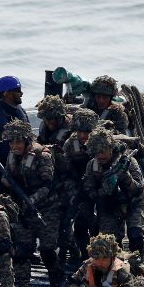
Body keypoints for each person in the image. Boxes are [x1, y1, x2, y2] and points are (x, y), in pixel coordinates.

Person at [1, 119, 64, 287]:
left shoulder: (42, 155)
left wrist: (31, 200)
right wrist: (8, 183)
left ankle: (56, 280)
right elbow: (6, 177)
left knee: (47, 249)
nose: (14, 146)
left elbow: (47, 185)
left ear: (27, 141)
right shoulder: (12, 155)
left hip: (47, 207)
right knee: (22, 251)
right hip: (23, 210)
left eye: (18, 142)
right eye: (11, 142)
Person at [83, 127, 144, 255]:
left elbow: (138, 189)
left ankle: (138, 264)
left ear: (111, 148)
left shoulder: (128, 161)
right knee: (109, 242)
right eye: (96, 152)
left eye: (103, 151)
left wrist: (125, 177)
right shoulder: (92, 165)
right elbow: (89, 190)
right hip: (110, 205)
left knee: (135, 235)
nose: (100, 155)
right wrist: (104, 191)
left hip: (132, 202)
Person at [59, 107, 100, 263]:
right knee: (81, 223)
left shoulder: (102, 142)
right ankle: (84, 256)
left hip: (101, 188)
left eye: (87, 132)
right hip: (80, 188)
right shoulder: (70, 145)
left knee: (99, 224)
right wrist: (74, 194)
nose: (83, 135)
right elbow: (66, 174)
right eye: (80, 131)